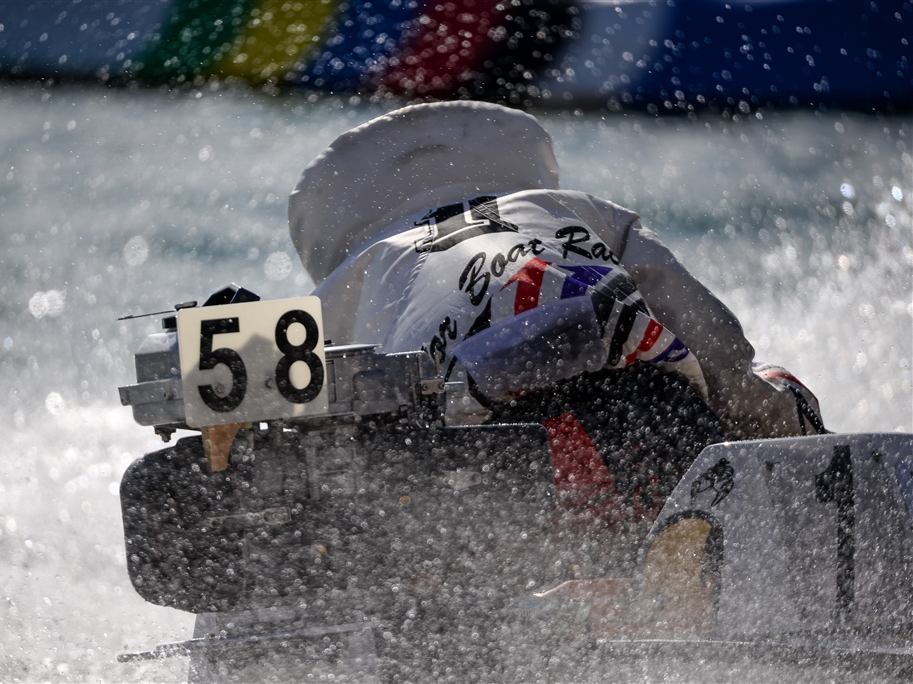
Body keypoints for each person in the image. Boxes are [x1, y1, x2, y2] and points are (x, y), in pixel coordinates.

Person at [288, 100, 824, 526]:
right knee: (761, 399)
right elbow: (714, 345)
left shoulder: (339, 293)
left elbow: (322, 451)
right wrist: (779, 420)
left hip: (486, 477)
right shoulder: (581, 209)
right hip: (650, 416)